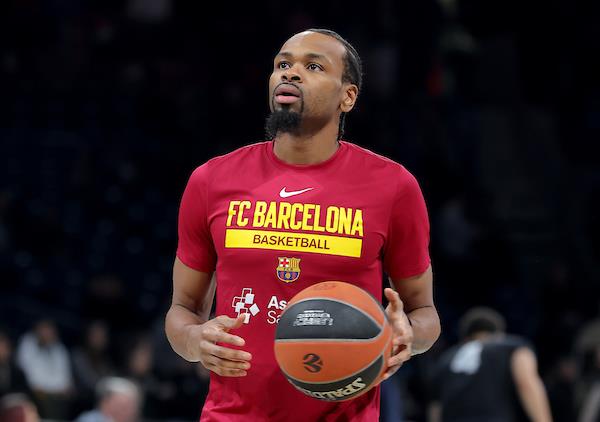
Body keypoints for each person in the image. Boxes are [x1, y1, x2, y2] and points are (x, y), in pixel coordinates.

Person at [165, 28, 441, 421]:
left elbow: (425, 313)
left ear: (348, 96)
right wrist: (194, 339)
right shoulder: (211, 180)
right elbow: (182, 309)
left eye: (313, 66)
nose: (290, 73)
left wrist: (409, 335)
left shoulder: (394, 186)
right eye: (282, 64)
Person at [427, 307, 553, 422]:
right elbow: (526, 383)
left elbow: (435, 408)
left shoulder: (446, 359)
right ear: (499, 335)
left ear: (465, 338)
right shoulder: (511, 346)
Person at [15, 319, 73, 420]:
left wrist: (63, 388)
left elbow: (65, 379)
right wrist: (42, 389)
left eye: (50, 330)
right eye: (44, 330)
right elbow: (27, 373)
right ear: (37, 330)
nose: (47, 333)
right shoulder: (28, 343)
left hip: (57, 394)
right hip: (35, 393)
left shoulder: (59, 348)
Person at [74, 377, 141, 422]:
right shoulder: (89, 419)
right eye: (122, 406)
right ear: (104, 403)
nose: (128, 412)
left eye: (131, 407)